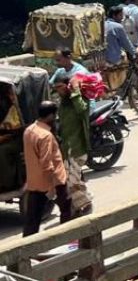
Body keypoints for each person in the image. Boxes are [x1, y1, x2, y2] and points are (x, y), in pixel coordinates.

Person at [23, 101, 72, 236]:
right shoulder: (45, 136)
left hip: (34, 182)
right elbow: (47, 164)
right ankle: (67, 239)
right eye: (55, 115)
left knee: (32, 219)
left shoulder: (29, 130)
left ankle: (26, 248)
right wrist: (52, 189)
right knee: (67, 208)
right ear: (50, 116)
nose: (56, 118)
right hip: (53, 181)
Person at [52, 75, 92, 215]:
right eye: (56, 88)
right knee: (69, 180)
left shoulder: (79, 100)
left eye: (60, 87)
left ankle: (87, 204)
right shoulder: (63, 104)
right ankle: (76, 207)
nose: (58, 91)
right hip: (66, 149)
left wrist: (75, 90)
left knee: (73, 180)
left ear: (67, 86)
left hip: (78, 148)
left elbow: (82, 110)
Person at [105, 5, 136, 70]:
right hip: (113, 59)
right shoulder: (118, 27)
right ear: (114, 15)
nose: (122, 18)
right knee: (126, 59)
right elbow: (126, 43)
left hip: (101, 59)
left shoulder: (102, 24)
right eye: (120, 15)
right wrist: (134, 53)